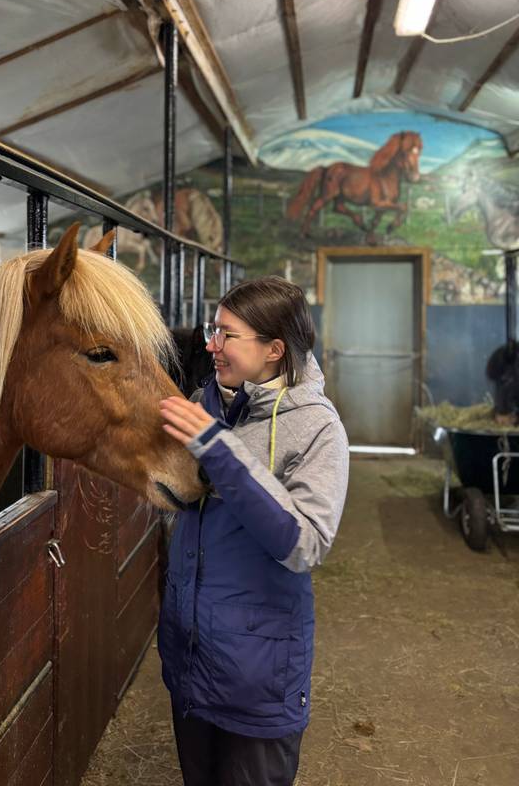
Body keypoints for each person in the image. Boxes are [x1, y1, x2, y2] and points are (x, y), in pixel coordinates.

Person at [158, 276, 350, 786]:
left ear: (274, 349)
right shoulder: (208, 400)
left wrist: (217, 448)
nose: (210, 345)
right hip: (191, 660)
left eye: (226, 334)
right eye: (211, 330)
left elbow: (305, 543)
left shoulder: (318, 429)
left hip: (257, 675)